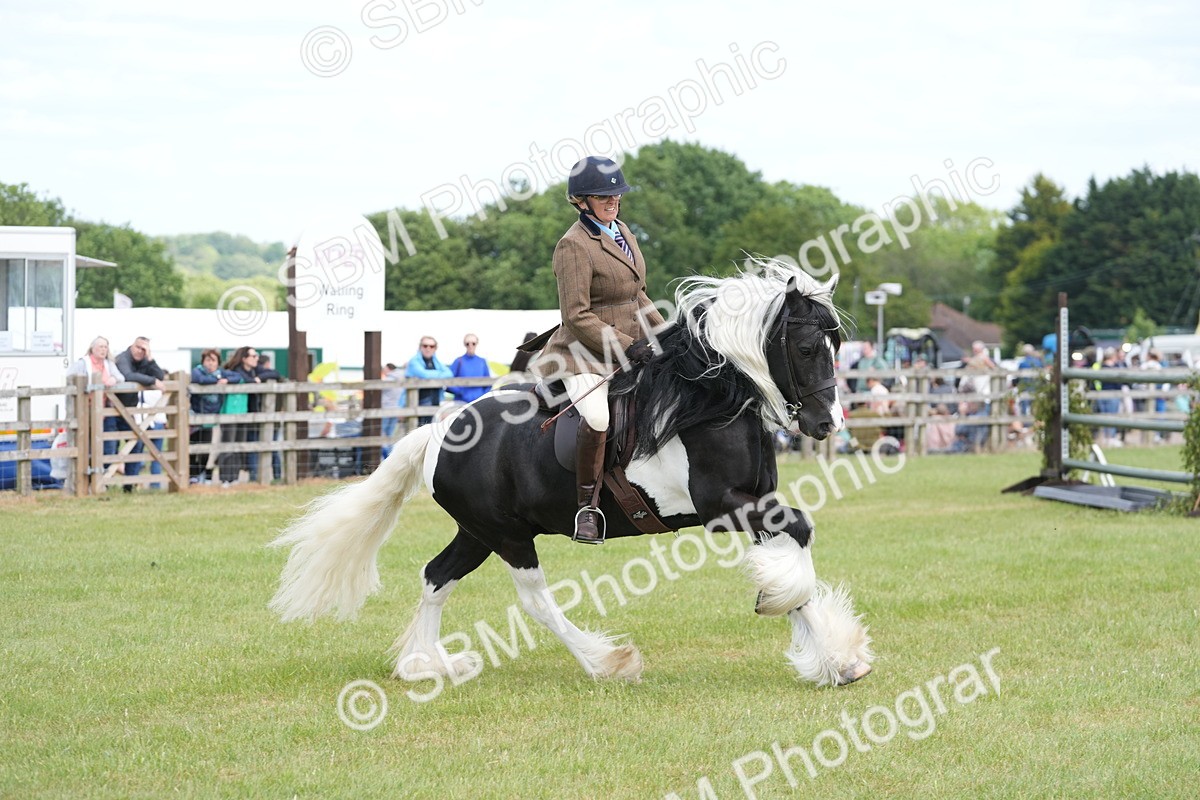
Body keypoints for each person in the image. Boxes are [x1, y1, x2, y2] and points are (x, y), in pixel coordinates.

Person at [528, 155, 666, 544]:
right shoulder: (573, 246)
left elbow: (638, 295)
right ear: (580, 201)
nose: (613, 201)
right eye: (603, 196)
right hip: (583, 354)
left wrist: (667, 337)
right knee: (599, 416)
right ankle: (587, 509)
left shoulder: (623, 232)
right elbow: (576, 315)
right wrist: (627, 346)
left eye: (616, 195)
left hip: (633, 346)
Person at [114, 336, 166, 490]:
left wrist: (150, 358)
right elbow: (127, 376)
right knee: (109, 447)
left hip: (130, 411)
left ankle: (129, 486)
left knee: (135, 446)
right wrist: (152, 381)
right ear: (132, 345)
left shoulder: (144, 361)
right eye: (138, 347)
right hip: (112, 410)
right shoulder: (123, 358)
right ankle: (103, 484)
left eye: (144, 349)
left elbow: (160, 376)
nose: (140, 351)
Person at [66, 336, 124, 460]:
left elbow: (121, 377)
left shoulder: (109, 364)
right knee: (87, 444)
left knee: (109, 446)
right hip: (86, 409)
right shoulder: (83, 363)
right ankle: (91, 474)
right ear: (92, 348)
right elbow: (70, 378)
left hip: (105, 409)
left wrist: (113, 379)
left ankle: (104, 474)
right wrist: (87, 386)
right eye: (100, 347)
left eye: (106, 347)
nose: (103, 350)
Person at [216, 346, 261, 486]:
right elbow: (241, 379)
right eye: (253, 356)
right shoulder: (234, 372)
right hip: (230, 411)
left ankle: (234, 477)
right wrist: (255, 381)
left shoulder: (252, 372)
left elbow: (273, 373)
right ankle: (225, 478)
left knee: (239, 445)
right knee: (228, 445)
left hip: (243, 412)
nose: (256, 359)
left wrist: (257, 379)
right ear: (244, 359)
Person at [188, 349, 227, 484]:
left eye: (213, 360)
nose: (210, 363)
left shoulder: (221, 373)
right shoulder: (197, 371)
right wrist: (217, 380)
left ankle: (200, 474)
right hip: (195, 417)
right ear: (203, 361)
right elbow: (200, 379)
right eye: (207, 360)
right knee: (192, 448)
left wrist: (225, 379)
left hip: (211, 418)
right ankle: (192, 476)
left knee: (206, 450)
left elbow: (236, 377)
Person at [406, 337, 453, 425]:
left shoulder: (436, 361)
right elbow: (425, 375)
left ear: (435, 348)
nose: (428, 348)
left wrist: (432, 375)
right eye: (425, 346)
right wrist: (440, 374)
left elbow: (449, 373)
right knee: (418, 431)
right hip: (418, 404)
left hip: (435, 402)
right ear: (420, 347)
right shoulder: (414, 361)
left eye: (431, 346)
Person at [448, 334, 491, 404]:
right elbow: (448, 382)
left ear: (477, 344)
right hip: (461, 403)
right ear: (464, 345)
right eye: (467, 343)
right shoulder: (458, 361)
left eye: (473, 343)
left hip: (479, 403)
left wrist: (482, 396)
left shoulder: (482, 362)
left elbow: (489, 382)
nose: (470, 346)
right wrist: (461, 392)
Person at [380, 362, 403, 440]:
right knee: (390, 433)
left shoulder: (388, 380)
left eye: (384, 369)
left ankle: (384, 451)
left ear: (388, 369)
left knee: (382, 432)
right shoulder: (401, 379)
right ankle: (389, 450)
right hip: (397, 408)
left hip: (386, 408)